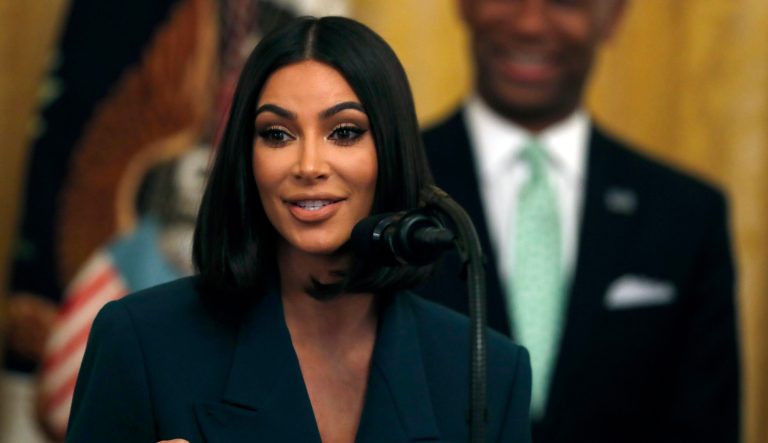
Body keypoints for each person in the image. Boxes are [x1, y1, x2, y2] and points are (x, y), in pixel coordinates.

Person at [65, 16, 532, 443]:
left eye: (344, 132)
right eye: (277, 135)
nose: (309, 165)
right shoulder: (140, 340)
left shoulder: (491, 373)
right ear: (246, 159)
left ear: (391, 152)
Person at [418, 1, 740, 443]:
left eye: (566, 0)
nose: (530, 23)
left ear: (613, 16)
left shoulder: (686, 214)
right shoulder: (386, 191)